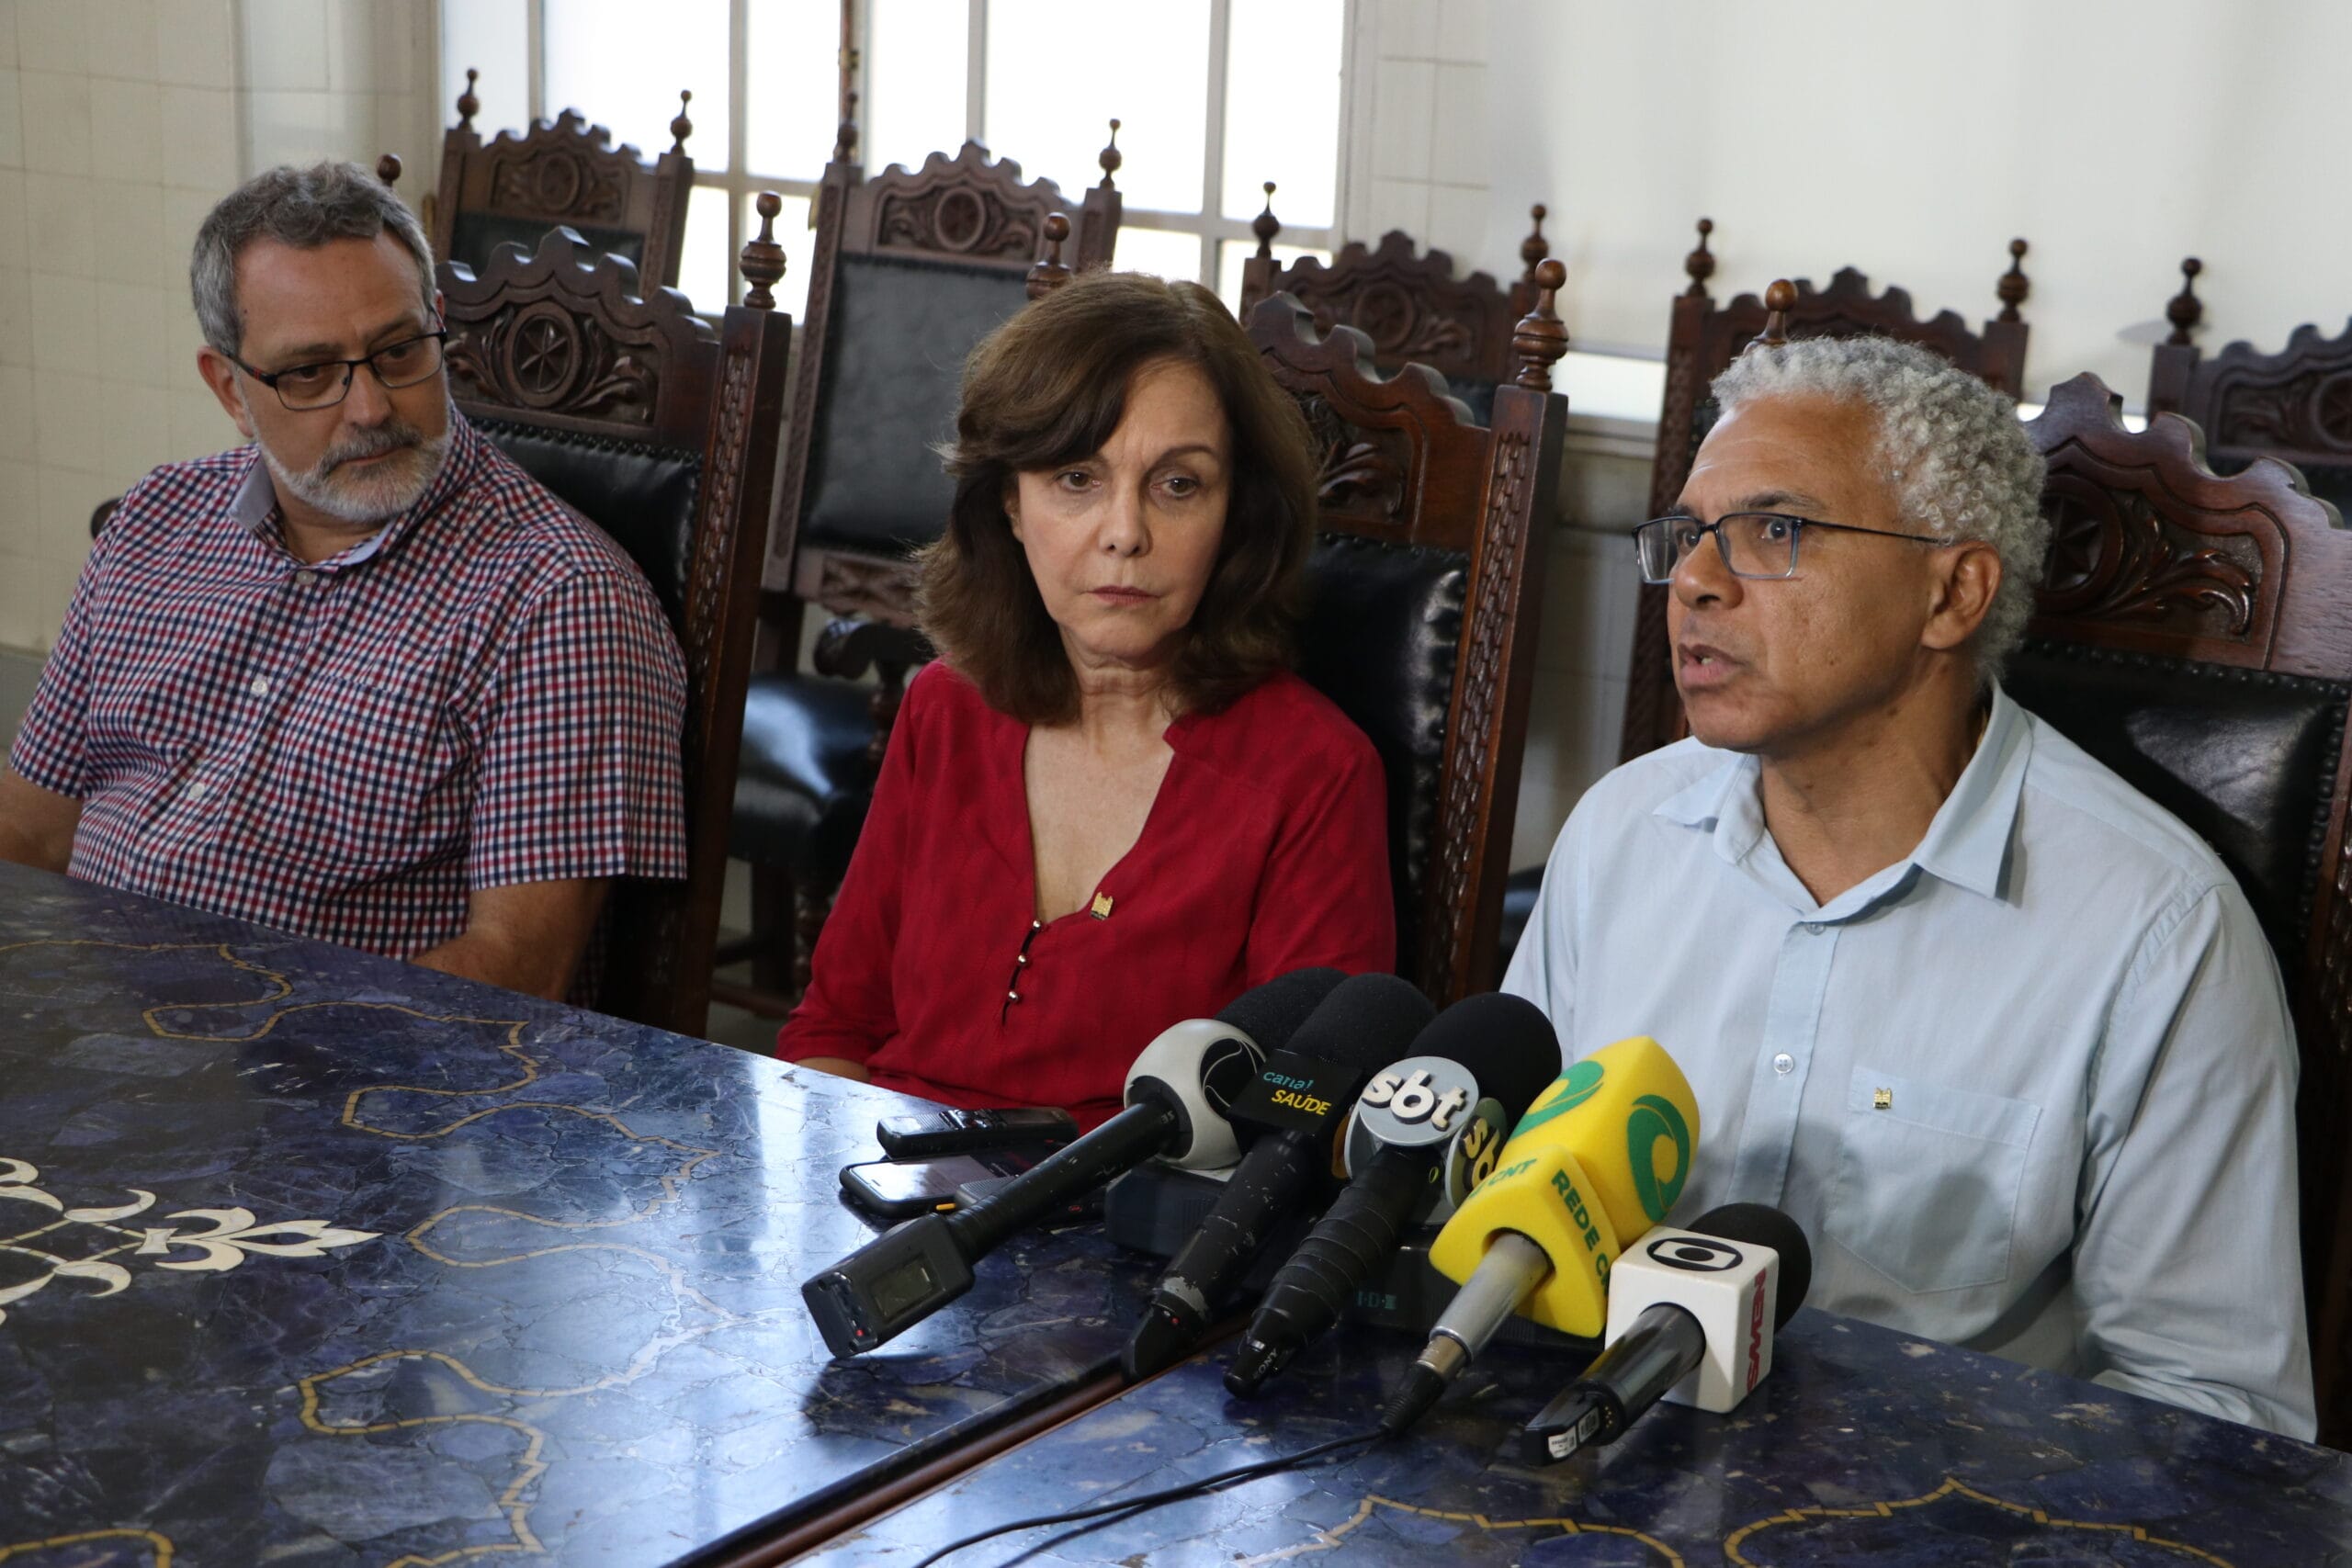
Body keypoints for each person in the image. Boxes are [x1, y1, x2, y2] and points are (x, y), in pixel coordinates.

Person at [1506, 334, 2314, 1437]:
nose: (1693, 581)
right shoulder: (1619, 835)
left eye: (1773, 532)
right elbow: (1513, 1215)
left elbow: (2213, 1416)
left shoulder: (2155, 933)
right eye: (1690, 536)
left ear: (1951, 593)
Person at [0, 162, 687, 1003]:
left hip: (324, 1093)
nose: (369, 407)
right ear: (230, 389)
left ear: (438, 326)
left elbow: (514, 975)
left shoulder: (557, 597)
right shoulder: (156, 520)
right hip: (84, 1029)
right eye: (311, 371)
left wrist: (219, 1040)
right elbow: (30, 832)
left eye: (398, 351)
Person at [778, 272, 1394, 1125]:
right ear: (1010, 505)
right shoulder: (944, 709)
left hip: (1127, 1237)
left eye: (1178, 484)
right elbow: (835, 1026)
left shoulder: (1316, 775)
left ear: (1237, 516)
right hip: (879, 1201)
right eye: (1076, 477)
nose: (1124, 531)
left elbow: (1302, 1123)